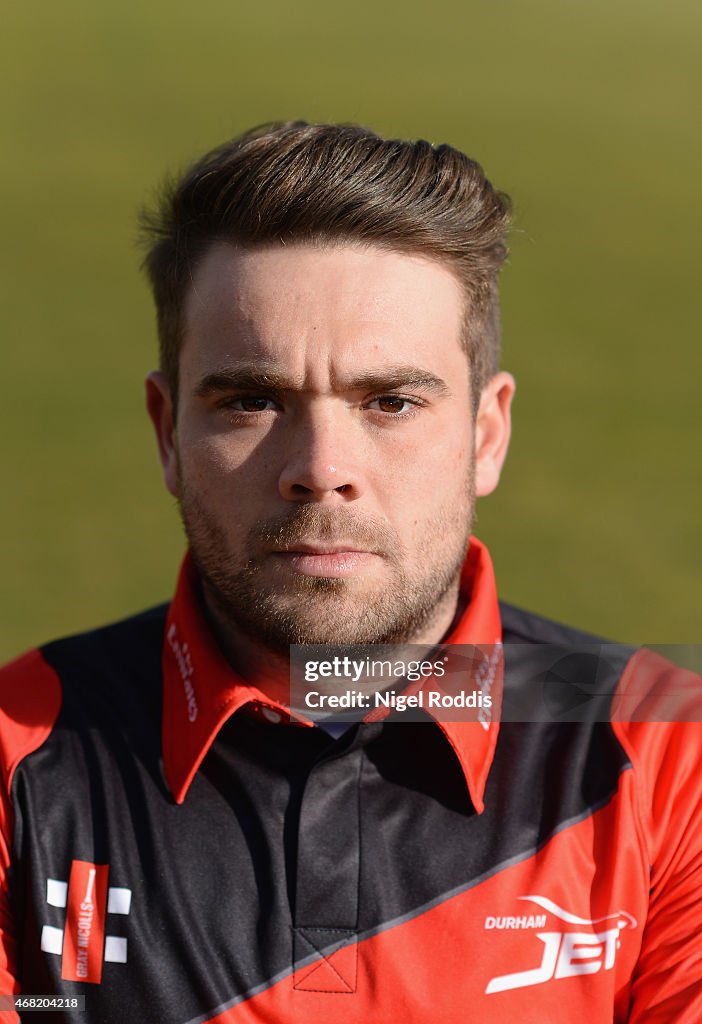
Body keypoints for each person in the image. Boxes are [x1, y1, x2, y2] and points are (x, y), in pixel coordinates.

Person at [0, 121, 700, 1024]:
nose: (320, 466)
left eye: (391, 401)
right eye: (252, 400)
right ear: (166, 430)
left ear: (487, 434)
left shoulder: (668, 752)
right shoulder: (18, 749)